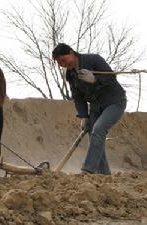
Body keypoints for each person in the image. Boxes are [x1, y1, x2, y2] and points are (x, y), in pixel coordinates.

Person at [52, 43, 127, 175]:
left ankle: (87, 170)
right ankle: (104, 175)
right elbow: (78, 97)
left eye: (63, 60)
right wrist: (84, 116)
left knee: (99, 129)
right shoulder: (70, 75)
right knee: (94, 138)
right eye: (60, 63)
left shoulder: (94, 59)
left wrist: (95, 80)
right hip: (95, 108)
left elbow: (111, 77)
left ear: (71, 52)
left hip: (114, 102)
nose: (63, 64)